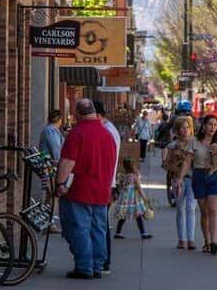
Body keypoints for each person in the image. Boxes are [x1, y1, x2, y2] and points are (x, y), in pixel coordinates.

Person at [56, 99, 117, 280]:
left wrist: (60, 183)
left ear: (78, 114)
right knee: (98, 229)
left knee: (78, 228)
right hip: (101, 190)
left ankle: (84, 266)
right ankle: (97, 265)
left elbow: (68, 162)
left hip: (80, 190)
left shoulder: (77, 133)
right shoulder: (108, 135)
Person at [178, 113, 217, 255]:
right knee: (204, 212)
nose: (212, 128)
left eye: (215, 125)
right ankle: (207, 241)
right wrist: (180, 178)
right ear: (204, 126)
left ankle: (214, 243)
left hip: (216, 176)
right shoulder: (194, 141)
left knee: (214, 210)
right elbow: (187, 161)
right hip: (199, 176)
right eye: (210, 124)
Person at [94, 99, 121, 276]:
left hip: (105, 184)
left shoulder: (107, 131)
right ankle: (103, 261)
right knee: (100, 224)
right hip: (107, 183)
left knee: (100, 225)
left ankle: (104, 262)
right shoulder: (109, 129)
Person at [164, 115, 197, 250]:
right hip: (178, 180)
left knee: (191, 208)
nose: (185, 130)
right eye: (182, 127)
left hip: (192, 179)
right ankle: (181, 239)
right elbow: (167, 164)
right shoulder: (173, 145)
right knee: (180, 209)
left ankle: (191, 239)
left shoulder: (195, 144)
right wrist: (176, 169)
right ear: (177, 129)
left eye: (187, 127)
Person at [114, 157, 153, 240]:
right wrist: (145, 198)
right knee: (138, 215)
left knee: (123, 216)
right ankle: (143, 233)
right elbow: (139, 189)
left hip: (124, 199)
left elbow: (118, 186)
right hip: (133, 200)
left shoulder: (121, 176)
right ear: (133, 165)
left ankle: (118, 232)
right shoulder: (135, 177)